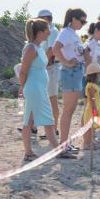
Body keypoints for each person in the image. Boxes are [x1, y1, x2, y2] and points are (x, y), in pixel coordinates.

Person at [18, 18, 63, 161]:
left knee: (35, 120)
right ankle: (54, 151)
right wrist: (21, 87)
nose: (49, 32)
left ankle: (34, 152)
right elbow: (23, 70)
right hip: (33, 88)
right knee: (36, 121)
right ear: (39, 32)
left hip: (39, 88)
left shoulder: (38, 47)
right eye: (47, 30)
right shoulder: (31, 48)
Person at [53, 8, 89, 156]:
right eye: (82, 20)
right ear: (73, 19)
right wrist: (66, 63)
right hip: (71, 72)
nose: (83, 24)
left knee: (70, 110)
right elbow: (55, 48)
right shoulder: (66, 33)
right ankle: (63, 146)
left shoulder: (73, 34)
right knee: (68, 111)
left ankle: (65, 144)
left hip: (76, 72)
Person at [37, 9, 61, 138]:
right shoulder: (46, 30)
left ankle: (54, 128)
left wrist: (41, 65)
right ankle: (35, 126)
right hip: (47, 66)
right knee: (43, 97)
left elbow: (51, 50)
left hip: (51, 67)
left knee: (52, 99)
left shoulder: (53, 31)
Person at [82, 63, 100, 150]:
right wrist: (94, 109)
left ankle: (91, 142)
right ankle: (86, 143)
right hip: (92, 108)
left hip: (96, 107)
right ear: (95, 74)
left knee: (93, 127)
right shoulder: (91, 86)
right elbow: (91, 98)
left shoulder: (94, 85)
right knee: (89, 127)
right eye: (99, 74)